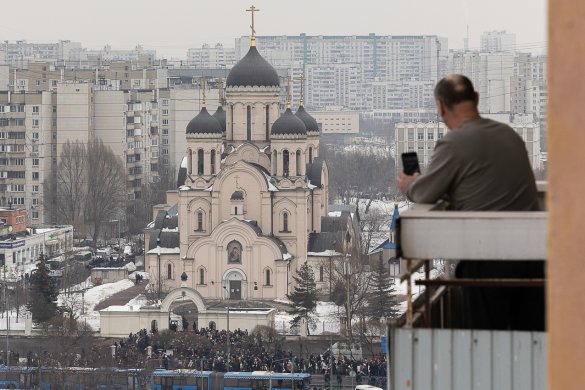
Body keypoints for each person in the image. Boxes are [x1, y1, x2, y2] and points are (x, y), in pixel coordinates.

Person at [397, 74, 544, 331]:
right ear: (476, 99)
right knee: (530, 339)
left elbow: (424, 193)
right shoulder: (508, 134)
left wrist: (409, 184)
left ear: (441, 107)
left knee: (486, 340)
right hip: (534, 260)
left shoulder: (453, 143)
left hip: (488, 263)